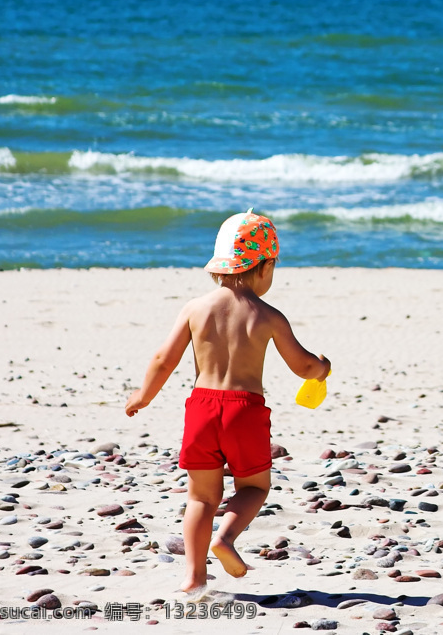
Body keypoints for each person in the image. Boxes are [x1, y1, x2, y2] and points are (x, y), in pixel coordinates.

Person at [124, 210, 331, 593]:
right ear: (265, 267)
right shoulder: (268, 316)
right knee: (253, 488)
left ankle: (193, 576)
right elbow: (302, 365)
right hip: (245, 411)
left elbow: (163, 360)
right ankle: (226, 538)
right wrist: (321, 368)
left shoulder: (195, 308)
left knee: (201, 496)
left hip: (202, 407)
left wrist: (143, 396)